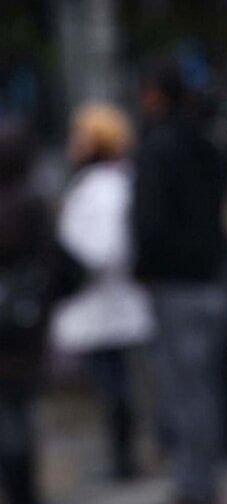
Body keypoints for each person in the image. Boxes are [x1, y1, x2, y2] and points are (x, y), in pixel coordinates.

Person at [132, 63, 227, 504]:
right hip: (209, 280)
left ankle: (195, 491)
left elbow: (148, 224)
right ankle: (203, 485)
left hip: (176, 286)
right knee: (203, 391)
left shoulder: (158, 148)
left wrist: (143, 265)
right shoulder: (204, 143)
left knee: (184, 396)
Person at [51, 104, 154, 481]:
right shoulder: (103, 181)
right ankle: (122, 456)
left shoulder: (105, 186)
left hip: (105, 299)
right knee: (113, 383)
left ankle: (124, 459)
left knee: (115, 386)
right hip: (105, 301)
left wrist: (74, 265)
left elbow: (106, 248)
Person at [0, 120, 52, 504]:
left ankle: (18, 492)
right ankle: (25, 490)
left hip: (12, 324)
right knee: (21, 408)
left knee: (10, 412)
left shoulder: (17, 208)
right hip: (28, 323)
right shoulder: (36, 203)